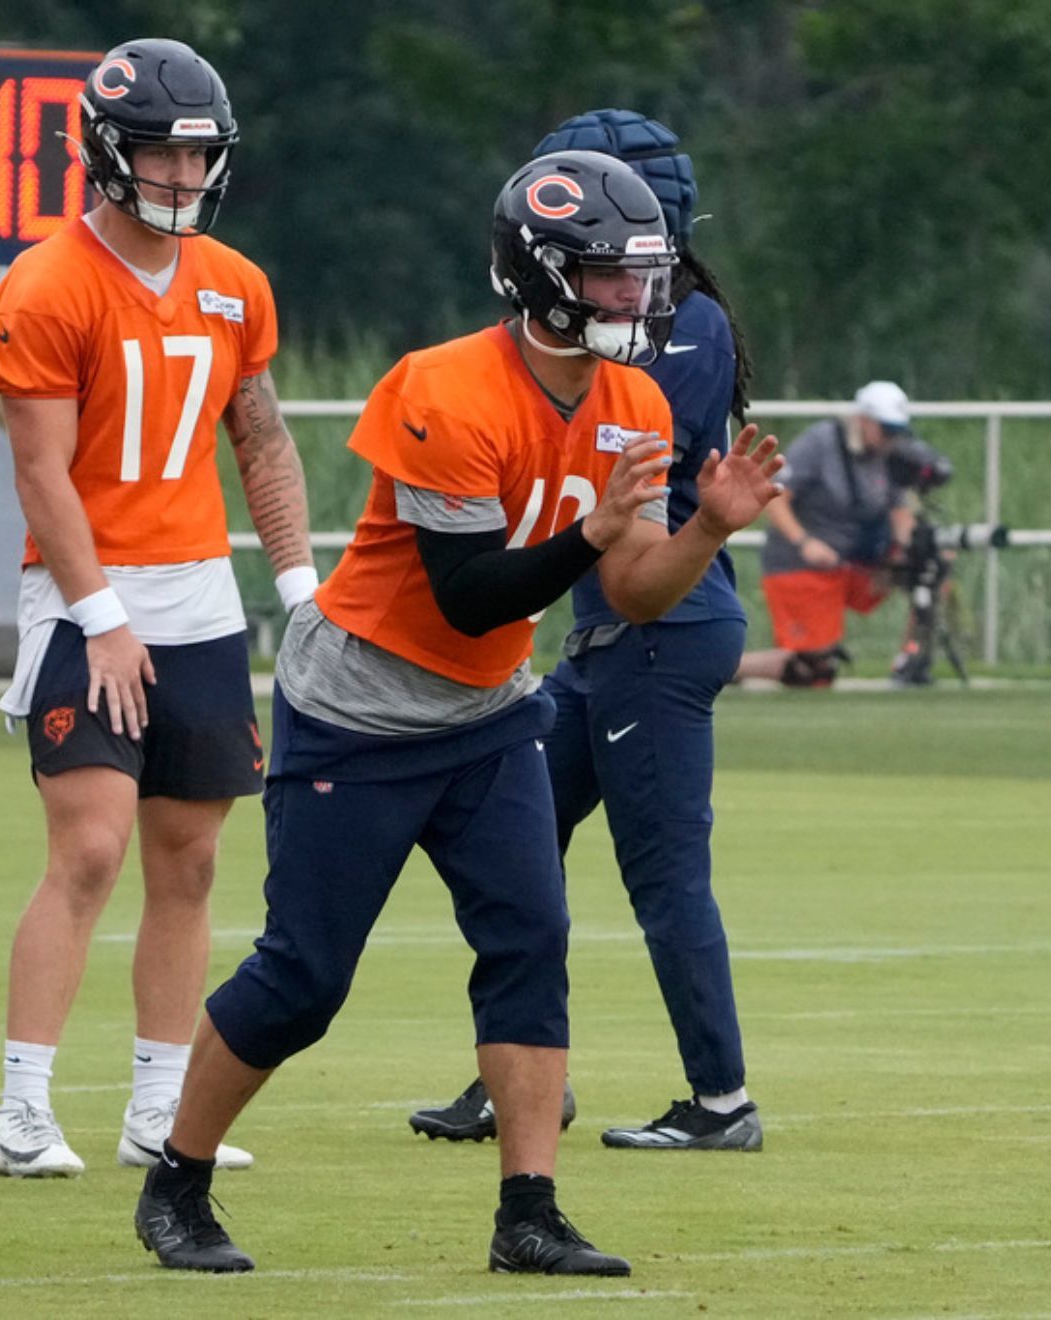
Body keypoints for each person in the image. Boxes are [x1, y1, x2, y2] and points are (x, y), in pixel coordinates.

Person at [131, 149, 784, 1275]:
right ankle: (176, 1180)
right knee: (304, 977)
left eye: (645, 275)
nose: (641, 299)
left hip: (487, 713)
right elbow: (471, 591)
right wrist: (590, 534)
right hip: (361, 709)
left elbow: (630, 594)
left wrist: (707, 529)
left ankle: (527, 1210)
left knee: (532, 943)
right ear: (541, 276)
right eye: (614, 276)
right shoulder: (443, 388)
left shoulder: (630, 402)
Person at [0, 38, 316, 1180]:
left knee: (191, 859)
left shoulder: (236, 283)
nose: (183, 176)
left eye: (198, 155)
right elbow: (41, 476)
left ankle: (163, 1112)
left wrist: (301, 587)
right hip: (82, 597)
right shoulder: (46, 284)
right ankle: (22, 1109)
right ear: (110, 154)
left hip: (200, 597)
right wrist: (102, 615)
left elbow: (260, 439)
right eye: (165, 154)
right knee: (91, 848)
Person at [408, 109, 762, 1153]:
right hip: (607, 636)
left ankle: (722, 1099)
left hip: (658, 627)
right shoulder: (651, 321)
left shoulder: (678, 328)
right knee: (513, 855)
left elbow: (625, 455)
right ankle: (521, 1075)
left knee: (663, 874)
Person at [734, 380, 925, 687]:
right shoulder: (821, 443)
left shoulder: (889, 454)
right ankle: (726, 668)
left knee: (931, 567)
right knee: (813, 670)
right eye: (885, 429)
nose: (891, 439)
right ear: (863, 420)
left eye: (896, 431)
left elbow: (899, 507)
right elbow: (777, 497)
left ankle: (912, 659)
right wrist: (805, 542)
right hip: (804, 564)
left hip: (855, 562)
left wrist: (902, 547)